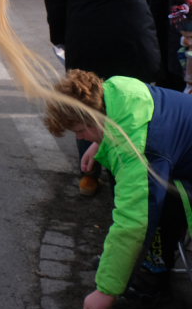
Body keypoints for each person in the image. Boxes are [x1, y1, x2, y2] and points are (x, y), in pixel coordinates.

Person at [45, 0, 175, 195]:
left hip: (85, 34)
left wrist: (59, 35)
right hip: (131, 32)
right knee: (131, 100)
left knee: (85, 100)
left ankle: (89, 173)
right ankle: (128, 172)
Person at [44, 70, 192, 308]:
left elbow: (132, 223)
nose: (80, 138)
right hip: (180, 157)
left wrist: (106, 291)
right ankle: (138, 266)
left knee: (152, 209)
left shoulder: (136, 149)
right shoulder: (114, 88)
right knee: (151, 200)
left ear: (95, 118)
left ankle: (153, 279)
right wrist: (98, 143)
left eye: (80, 131)